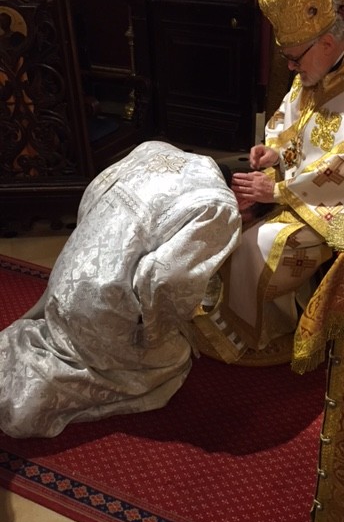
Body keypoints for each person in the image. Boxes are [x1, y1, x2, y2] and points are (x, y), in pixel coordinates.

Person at [193, 0, 344, 366]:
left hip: (341, 206)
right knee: (225, 212)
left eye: (295, 58)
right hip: (297, 188)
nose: (292, 68)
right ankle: (254, 316)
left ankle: (267, 331)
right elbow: (290, 117)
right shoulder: (318, 63)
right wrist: (273, 151)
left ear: (327, 43)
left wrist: (277, 190)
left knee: (259, 246)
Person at [0, 141, 242, 438]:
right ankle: (30, 397)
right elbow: (166, 281)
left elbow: (93, 190)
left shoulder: (153, 149)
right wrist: (156, 330)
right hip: (103, 307)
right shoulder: (218, 205)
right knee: (175, 359)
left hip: (67, 273)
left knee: (61, 334)